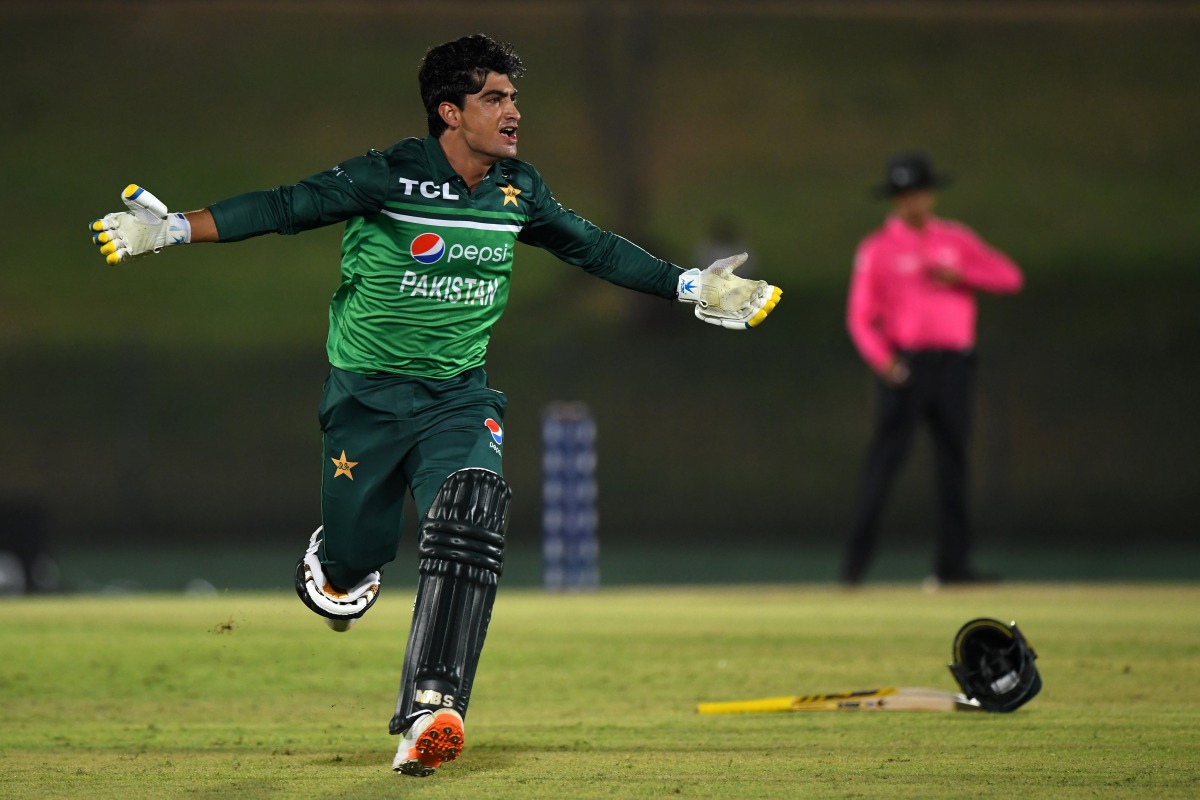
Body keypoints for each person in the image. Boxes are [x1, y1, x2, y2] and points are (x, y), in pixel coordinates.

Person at [88, 34, 780, 777]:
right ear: (450, 112)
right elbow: (287, 206)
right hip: (366, 401)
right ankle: (339, 566)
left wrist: (692, 286)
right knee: (351, 568)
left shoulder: (519, 189)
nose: (513, 111)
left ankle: (431, 708)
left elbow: (594, 247)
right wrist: (174, 228)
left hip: (457, 397)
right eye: (494, 98)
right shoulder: (389, 174)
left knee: (473, 507)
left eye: (513, 97)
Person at [841, 151, 1022, 587]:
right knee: (884, 464)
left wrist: (963, 274)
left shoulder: (956, 240)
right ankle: (853, 569)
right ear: (894, 200)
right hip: (907, 366)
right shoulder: (878, 250)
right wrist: (884, 361)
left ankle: (953, 566)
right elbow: (860, 317)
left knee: (954, 465)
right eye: (905, 194)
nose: (913, 202)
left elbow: (1009, 277)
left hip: (953, 366)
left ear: (931, 195)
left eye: (919, 192)